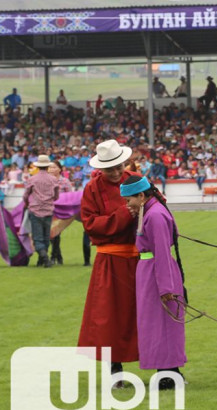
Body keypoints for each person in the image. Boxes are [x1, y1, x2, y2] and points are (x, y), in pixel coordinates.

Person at [78, 139, 140, 383]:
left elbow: (158, 205)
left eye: (119, 166)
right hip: (110, 260)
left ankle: (166, 368)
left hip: (141, 257)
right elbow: (91, 225)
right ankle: (115, 370)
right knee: (110, 316)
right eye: (110, 168)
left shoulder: (135, 179)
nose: (116, 172)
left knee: (148, 313)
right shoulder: (91, 189)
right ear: (100, 167)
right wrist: (124, 214)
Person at [119, 175, 187, 390]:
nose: (127, 205)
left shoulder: (155, 215)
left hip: (157, 274)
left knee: (163, 324)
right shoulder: (148, 211)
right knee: (155, 324)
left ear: (141, 195)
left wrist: (166, 287)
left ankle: (169, 374)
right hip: (149, 273)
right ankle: (166, 371)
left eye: (128, 200)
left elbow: (161, 253)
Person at [22, 155, 59, 268]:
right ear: (48, 166)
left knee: (37, 237)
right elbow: (56, 196)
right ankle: (42, 259)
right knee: (46, 236)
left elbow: (25, 195)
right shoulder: (53, 179)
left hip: (35, 210)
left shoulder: (32, 179)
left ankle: (44, 259)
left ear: (38, 166)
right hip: (48, 210)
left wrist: (27, 204)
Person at [48, 161, 73, 265]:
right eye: (50, 167)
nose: (51, 169)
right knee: (52, 234)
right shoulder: (47, 181)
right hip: (49, 210)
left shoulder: (65, 181)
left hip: (61, 211)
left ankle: (54, 256)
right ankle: (58, 256)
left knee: (55, 234)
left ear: (59, 169)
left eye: (54, 167)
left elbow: (70, 196)